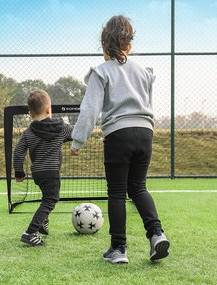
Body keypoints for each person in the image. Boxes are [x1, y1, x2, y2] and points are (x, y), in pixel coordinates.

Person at [71, 15, 170, 263]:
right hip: (145, 132)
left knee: (116, 192)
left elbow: (90, 110)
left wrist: (77, 141)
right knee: (138, 187)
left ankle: (119, 249)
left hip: (118, 134)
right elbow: (146, 102)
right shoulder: (144, 71)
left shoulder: (100, 71)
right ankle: (156, 233)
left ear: (104, 46)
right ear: (130, 45)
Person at [14, 89, 73, 246]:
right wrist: (76, 143)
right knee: (51, 199)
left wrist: (19, 171)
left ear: (30, 113)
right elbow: (76, 133)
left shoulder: (28, 132)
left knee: (46, 196)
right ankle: (30, 232)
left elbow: (19, 152)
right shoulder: (61, 128)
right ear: (48, 110)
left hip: (38, 174)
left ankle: (43, 223)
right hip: (52, 172)